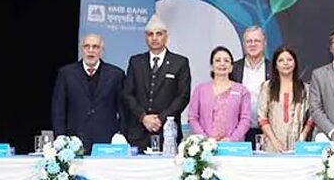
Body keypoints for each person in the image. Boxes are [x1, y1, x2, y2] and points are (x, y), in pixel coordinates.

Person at [122, 15, 192, 149]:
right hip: (138, 131)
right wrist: (143, 117)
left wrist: (161, 118)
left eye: (159, 34)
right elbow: (127, 94)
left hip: (168, 132)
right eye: (150, 34)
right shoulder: (136, 62)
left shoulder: (180, 62)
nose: (154, 38)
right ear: (145, 38)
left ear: (166, 36)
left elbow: (183, 96)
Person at [50, 34, 124, 154]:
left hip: (106, 143)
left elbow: (123, 110)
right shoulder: (66, 74)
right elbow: (58, 109)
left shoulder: (116, 74)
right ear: (81, 49)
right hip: (73, 143)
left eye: (95, 47)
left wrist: (120, 134)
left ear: (101, 51)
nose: (91, 50)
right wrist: (60, 137)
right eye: (87, 46)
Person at [188, 46, 251, 141]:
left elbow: (245, 120)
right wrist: (205, 140)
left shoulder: (242, 91)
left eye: (226, 61)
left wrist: (232, 139)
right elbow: (192, 118)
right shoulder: (200, 90)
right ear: (212, 66)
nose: (222, 64)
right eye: (218, 60)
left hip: (233, 145)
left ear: (231, 67)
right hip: (206, 145)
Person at [258, 46, 314, 152]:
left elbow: (312, 115)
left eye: (289, 60)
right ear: (275, 65)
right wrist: (275, 142)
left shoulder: (305, 89)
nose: (286, 63)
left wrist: (303, 135)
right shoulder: (267, 87)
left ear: (295, 63)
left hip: (298, 146)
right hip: (272, 146)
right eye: (281, 60)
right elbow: (262, 117)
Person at [229, 26, 270, 143]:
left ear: (264, 43)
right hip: (238, 132)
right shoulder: (233, 69)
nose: (253, 44)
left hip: (268, 131)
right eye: (249, 41)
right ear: (243, 44)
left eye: (257, 41)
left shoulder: (274, 68)